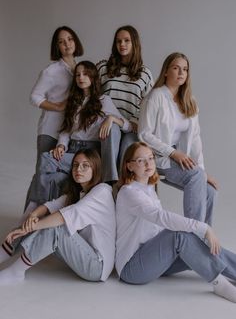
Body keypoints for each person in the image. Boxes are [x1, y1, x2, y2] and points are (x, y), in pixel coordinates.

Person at [115, 142, 236, 303]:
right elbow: (160, 217)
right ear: (129, 166)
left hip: (155, 259)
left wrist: (197, 234)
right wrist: (203, 227)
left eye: (151, 158)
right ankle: (219, 284)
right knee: (180, 233)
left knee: (196, 240)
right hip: (132, 268)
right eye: (141, 160)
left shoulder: (149, 189)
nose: (148, 163)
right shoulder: (129, 193)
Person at [0, 149, 116, 285]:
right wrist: (32, 216)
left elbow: (64, 217)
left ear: (95, 168)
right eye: (75, 165)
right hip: (82, 253)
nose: (79, 169)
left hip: (96, 266)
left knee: (56, 228)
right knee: (34, 220)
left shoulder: (102, 191)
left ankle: (16, 272)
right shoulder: (79, 193)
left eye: (85, 165)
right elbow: (49, 206)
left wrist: (29, 228)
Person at [27, 61, 131, 206]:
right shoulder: (73, 102)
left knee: (50, 166)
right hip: (72, 150)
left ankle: (39, 211)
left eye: (85, 74)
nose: (81, 77)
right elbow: (66, 130)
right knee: (46, 160)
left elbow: (128, 126)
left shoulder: (103, 101)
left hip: (90, 152)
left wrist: (112, 119)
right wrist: (61, 146)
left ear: (93, 77)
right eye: (77, 75)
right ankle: (39, 209)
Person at [138, 52, 217, 225]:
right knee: (196, 176)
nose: (181, 72)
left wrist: (202, 171)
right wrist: (173, 153)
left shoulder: (190, 101)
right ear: (166, 71)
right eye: (176, 68)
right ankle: (194, 233)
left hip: (180, 158)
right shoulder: (155, 97)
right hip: (158, 158)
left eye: (185, 69)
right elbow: (144, 134)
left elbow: (195, 139)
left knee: (210, 190)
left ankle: (204, 240)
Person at [97, 25, 153, 167]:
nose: (122, 44)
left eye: (126, 40)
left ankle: (123, 186)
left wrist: (135, 123)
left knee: (127, 153)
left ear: (134, 43)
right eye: (118, 41)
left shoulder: (145, 73)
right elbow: (93, 96)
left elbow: (149, 106)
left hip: (131, 127)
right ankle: (109, 183)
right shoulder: (104, 68)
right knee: (112, 130)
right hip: (107, 123)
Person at [30, 26, 84, 161]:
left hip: (70, 133)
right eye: (61, 41)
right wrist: (58, 106)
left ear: (75, 41)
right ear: (57, 46)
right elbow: (34, 97)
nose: (67, 44)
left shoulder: (80, 69)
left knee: (61, 177)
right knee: (44, 174)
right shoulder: (51, 71)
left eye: (70, 39)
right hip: (51, 131)